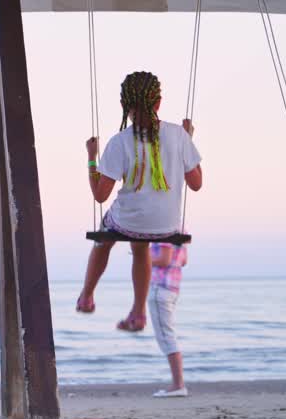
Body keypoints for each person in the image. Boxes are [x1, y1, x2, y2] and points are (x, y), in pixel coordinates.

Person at [77, 71, 203, 332]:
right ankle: (138, 313)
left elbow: (100, 195)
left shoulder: (120, 142)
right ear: (158, 103)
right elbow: (196, 184)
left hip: (127, 222)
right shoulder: (179, 136)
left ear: (125, 106)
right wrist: (188, 139)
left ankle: (87, 296)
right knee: (141, 246)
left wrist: (92, 157)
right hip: (167, 226)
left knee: (104, 237)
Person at [149, 242, 188, 397]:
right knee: (168, 335)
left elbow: (164, 260)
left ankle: (178, 385)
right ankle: (178, 384)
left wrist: (142, 257)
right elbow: (183, 260)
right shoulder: (180, 229)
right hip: (172, 287)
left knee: (166, 337)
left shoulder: (163, 228)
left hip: (160, 287)